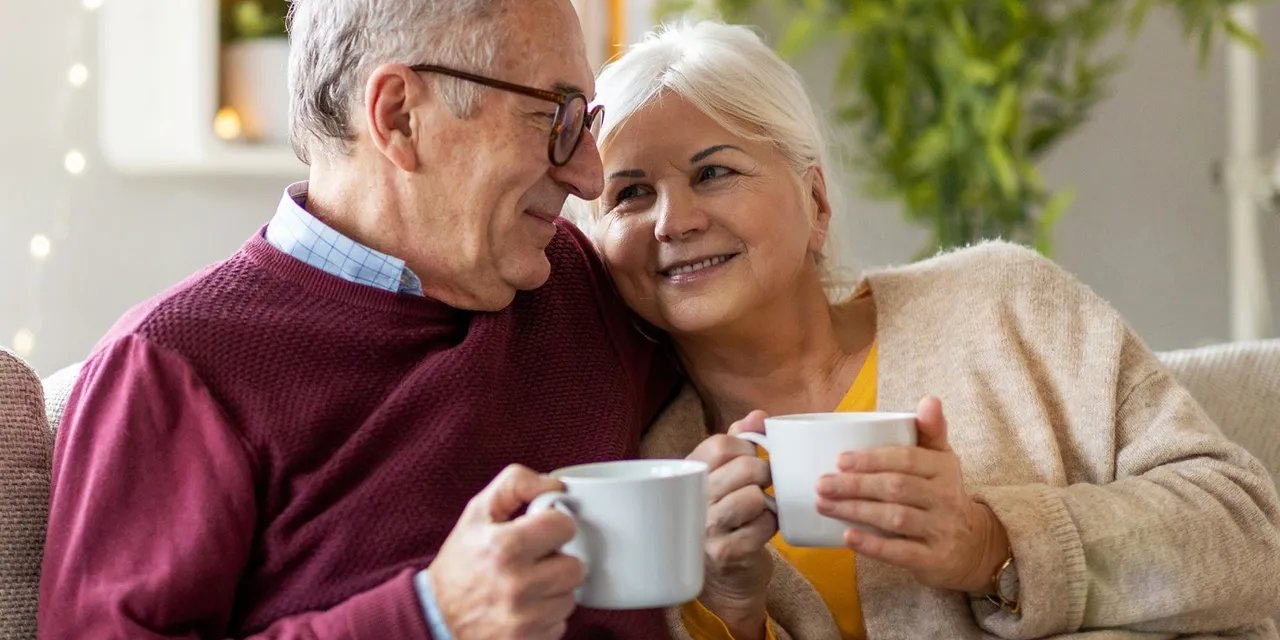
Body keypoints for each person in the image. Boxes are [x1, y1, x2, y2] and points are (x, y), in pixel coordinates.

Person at [578, 19, 1280, 639]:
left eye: (714, 172)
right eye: (631, 193)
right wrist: (729, 608)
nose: (674, 221)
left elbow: (1249, 531)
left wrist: (993, 544)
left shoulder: (1004, 305)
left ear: (815, 202)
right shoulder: (648, 466)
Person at [38, 1, 681, 638]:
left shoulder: (582, 284)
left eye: (586, 121)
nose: (590, 176)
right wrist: (431, 616)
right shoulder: (172, 368)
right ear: (399, 117)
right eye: (555, 118)